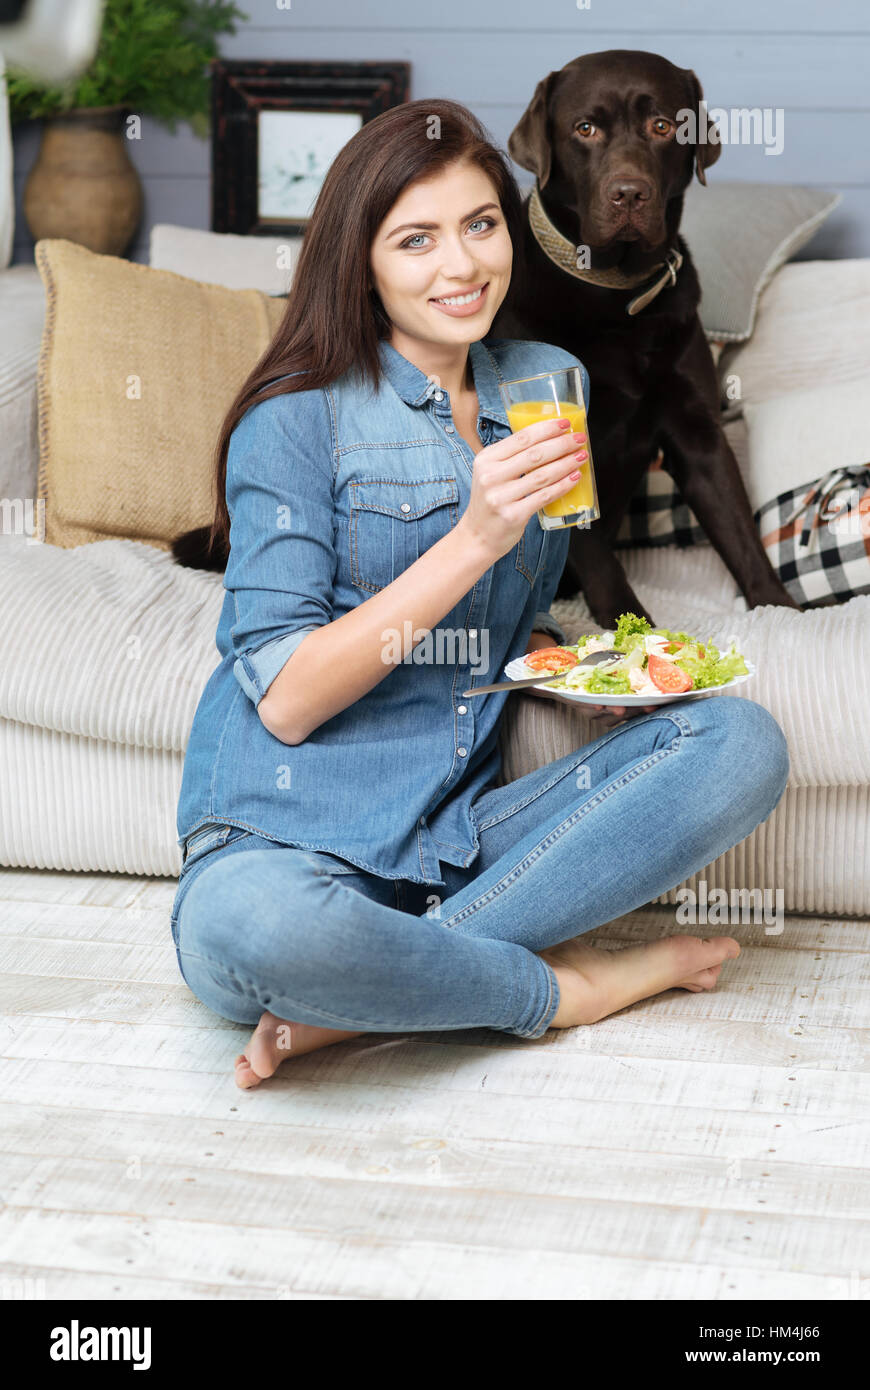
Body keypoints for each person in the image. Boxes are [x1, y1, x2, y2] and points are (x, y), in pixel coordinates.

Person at [170, 99, 790, 1089]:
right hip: (281, 843)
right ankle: (559, 991)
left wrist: (599, 669)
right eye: (415, 240)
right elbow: (284, 698)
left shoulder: (546, 382)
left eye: (480, 225)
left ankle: (363, 999)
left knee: (742, 745)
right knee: (261, 934)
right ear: (360, 258)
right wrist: (473, 535)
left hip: (460, 839)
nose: (460, 268)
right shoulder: (292, 420)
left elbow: (522, 612)